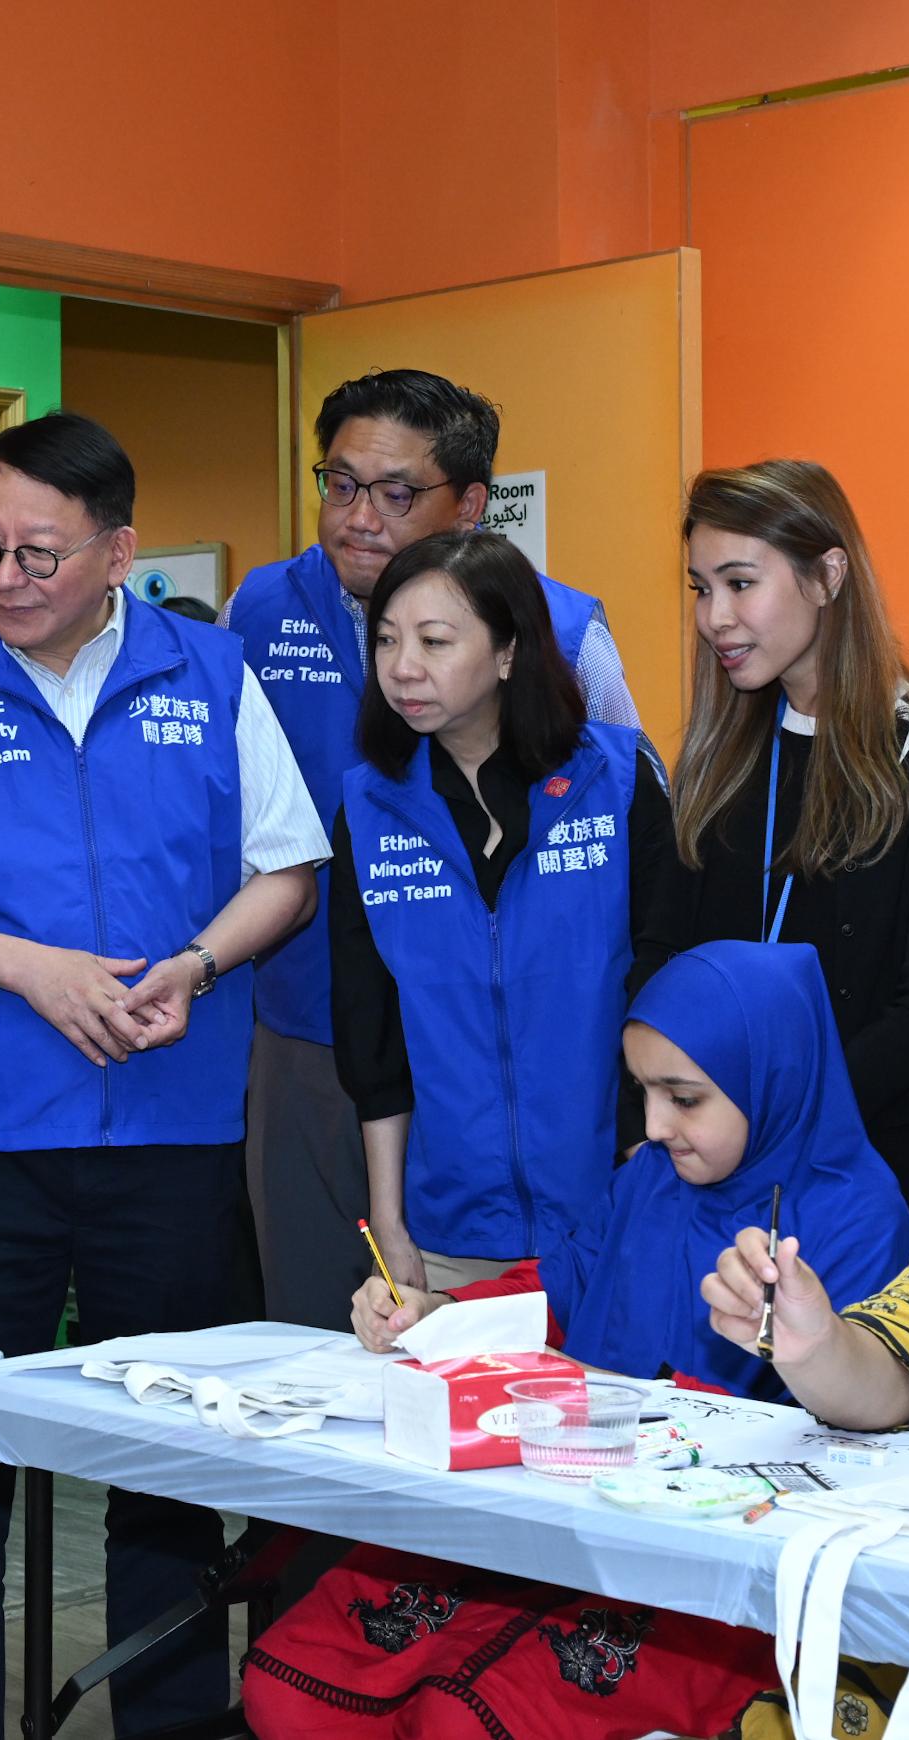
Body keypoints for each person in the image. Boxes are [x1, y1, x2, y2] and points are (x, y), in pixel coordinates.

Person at [0, 410, 327, 1732]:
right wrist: (28, 968)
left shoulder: (212, 675)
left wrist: (198, 965)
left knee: (160, 1460)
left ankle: (162, 1721)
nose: (2, 576)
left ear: (117, 552)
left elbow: (284, 869)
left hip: (170, 1131)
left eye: (36, 552)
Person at [248, 941, 909, 1738]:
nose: (656, 1125)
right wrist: (438, 1315)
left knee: (467, 1720)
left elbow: (866, 1437)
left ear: (772, 1078)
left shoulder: (857, 1218)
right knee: (295, 1679)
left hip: (717, 1574)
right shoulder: (650, 1180)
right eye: (643, 1093)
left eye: (685, 1097)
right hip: (559, 1519)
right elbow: (557, 1290)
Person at [226, 368, 646, 1329]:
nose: (359, 517)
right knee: (314, 1340)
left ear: (471, 505)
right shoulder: (256, 612)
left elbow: (630, 832)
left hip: (517, 1065)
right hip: (309, 1034)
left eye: (396, 493)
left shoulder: (562, 628)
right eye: (340, 483)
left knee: (506, 1349)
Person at [330, 530, 686, 1292]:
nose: (402, 668)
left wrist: (645, 1178)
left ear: (508, 652)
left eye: (434, 640)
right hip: (450, 1234)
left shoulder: (617, 783)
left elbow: (666, 992)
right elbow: (374, 1037)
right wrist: (389, 1223)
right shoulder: (368, 808)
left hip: (618, 1211)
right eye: (387, 640)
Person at [674, 459, 909, 1222]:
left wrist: (772, 1111)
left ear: (827, 576)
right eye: (701, 589)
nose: (715, 617)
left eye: (740, 583)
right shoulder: (719, 760)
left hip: (862, 1171)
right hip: (712, 1172)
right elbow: (667, 958)